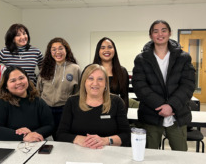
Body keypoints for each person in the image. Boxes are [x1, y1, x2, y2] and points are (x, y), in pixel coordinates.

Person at [132, 20, 195, 151]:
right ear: (150, 35)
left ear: (169, 33)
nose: (160, 34)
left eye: (164, 30)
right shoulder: (141, 59)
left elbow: (188, 85)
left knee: (180, 155)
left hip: (177, 114)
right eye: (155, 31)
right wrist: (160, 106)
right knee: (149, 154)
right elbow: (140, 86)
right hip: (151, 114)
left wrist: (171, 105)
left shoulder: (183, 58)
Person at [57, 64, 131, 149]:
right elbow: (61, 134)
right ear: (84, 82)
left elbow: (126, 135)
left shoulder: (116, 102)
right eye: (90, 78)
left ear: (106, 83)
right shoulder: (72, 102)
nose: (95, 83)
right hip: (78, 153)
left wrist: (105, 140)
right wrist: (79, 139)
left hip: (108, 154)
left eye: (100, 79)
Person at [0, 66, 54, 141]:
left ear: (27, 79)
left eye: (21, 78)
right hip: (10, 146)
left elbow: (50, 126)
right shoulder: (2, 104)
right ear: (6, 86)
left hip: (35, 144)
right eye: (13, 81)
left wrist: (32, 135)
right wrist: (23, 136)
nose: (18, 82)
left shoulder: (38, 101)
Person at [37, 37, 81, 140]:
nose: (57, 52)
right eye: (54, 49)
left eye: (60, 48)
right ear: (50, 52)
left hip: (64, 110)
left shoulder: (75, 69)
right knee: (45, 138)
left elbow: (78, 92)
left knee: (61, 138)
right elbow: (38, 90)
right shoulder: (44, 68)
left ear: (66, 50)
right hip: (46, 109)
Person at [93, 37, 129, 111]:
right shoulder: (90, 70)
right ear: (98, 51)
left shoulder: (122, 71)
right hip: (94, 112)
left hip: (115, 113)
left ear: (114, 50)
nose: (106, 50)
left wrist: (123, 117)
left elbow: (124, 97)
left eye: (110, 47)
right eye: (102, 48)